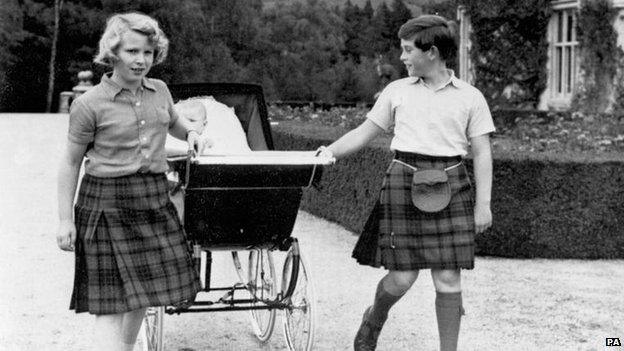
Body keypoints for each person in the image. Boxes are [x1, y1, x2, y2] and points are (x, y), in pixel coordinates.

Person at [317, 15, 494, 351]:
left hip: (452, 183)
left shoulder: (471, 97)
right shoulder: (396, 91)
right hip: (404, 182)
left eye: (408, 49)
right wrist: (328, 153)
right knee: (402, 278)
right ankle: (374, 319)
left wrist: (483, 204)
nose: (402, 57)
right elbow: (364, 133)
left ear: (433, 52)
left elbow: (482, 153)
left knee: (448, 277)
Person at [55, 12, 202, 351]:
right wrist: (65, 220)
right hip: (105, 202)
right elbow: (70, 162)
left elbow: (175, 122)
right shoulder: (89, 103)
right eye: (132, 52)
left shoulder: (160, 91)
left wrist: (192, 132)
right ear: (113, 52)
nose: (141, 61)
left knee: (143, 295)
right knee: (109, 302)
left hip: (152, 198)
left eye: (148, 53)